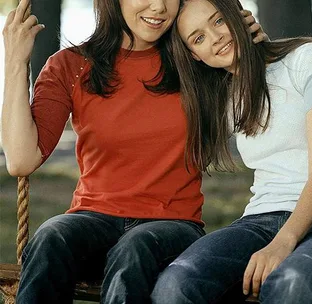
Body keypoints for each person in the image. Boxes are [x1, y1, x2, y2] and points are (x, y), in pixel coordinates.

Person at [1, 0, 267, 303]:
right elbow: (21, 160)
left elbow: (265, 95)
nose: (158, 7)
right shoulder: (71, 66)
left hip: (173, 224)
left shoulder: (194, 57)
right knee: (52, 236)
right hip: (94, 219)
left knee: (135, 246)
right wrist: (15, 61)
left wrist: (249, 47)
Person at [150, 0, 312, 303]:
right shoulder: (226, 94)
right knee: (177, 281)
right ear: (194, 55)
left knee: (290, 284)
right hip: (259, 221)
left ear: (241, 16)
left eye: (218, 21)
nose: (215, 37)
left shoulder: (310, 59)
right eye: (198, 38)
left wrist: (283, 242)